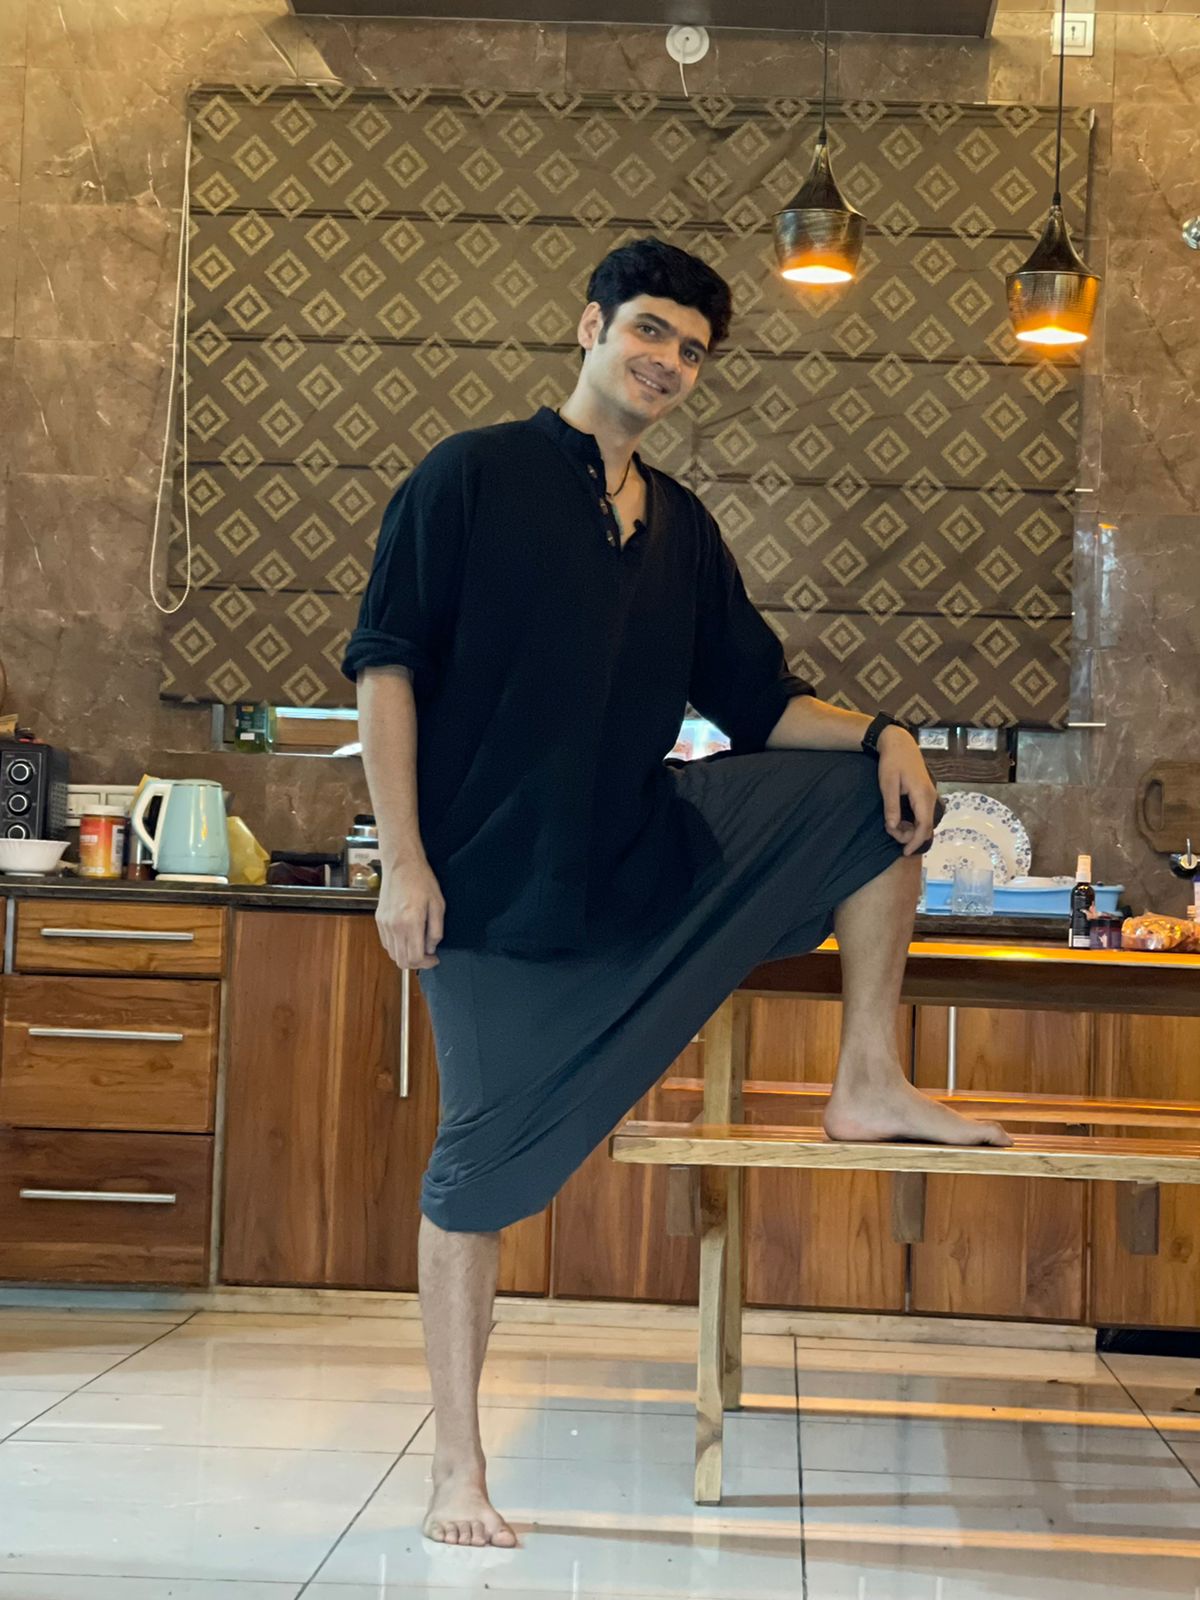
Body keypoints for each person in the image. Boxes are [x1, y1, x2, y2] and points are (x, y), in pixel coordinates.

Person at [341, 236, 1012, 1551]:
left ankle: (869, 1080)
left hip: (642, 859)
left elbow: (757, 701)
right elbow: (385, 667)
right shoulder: (469, 476)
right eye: (650, 330)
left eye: (693, 350)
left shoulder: (683, 529)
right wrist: (403, 860)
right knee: (472, 1179)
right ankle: (456, 1472)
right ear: (591, 326)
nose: (668, 362)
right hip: (489, 892)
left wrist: (886, 732)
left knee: (873, 806)